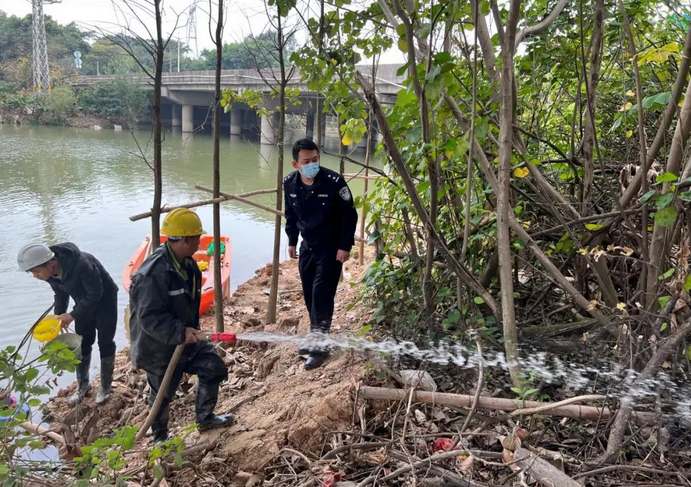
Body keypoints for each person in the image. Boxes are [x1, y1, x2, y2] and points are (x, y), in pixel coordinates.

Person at [128, 209, 234, 443]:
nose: (199, 241)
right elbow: (149, 318)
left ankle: (205, 419)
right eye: (197, 237)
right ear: (185, 239)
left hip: (187, 340)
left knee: (213, 367)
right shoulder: (151, 275)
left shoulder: (189, 265)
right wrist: (179, 332)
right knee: (162, 395)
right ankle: (160, 437)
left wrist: (189, 332)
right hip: (157, 346)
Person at [283, 138, 358, 370]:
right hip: (308, 247)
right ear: (296, 164)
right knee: (309, 296)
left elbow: (350, 216)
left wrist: (345, 246)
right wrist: (292, 241)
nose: (312, 164)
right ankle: (317, 337)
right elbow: (291, 215)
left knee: (321, 296)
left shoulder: (334, 182)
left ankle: (320, 348)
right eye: (307, 161)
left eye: (315, 159)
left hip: (331, 248)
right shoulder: (290, 184)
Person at [17, 242, 118, 406]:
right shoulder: (49, 274)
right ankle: (83, 386)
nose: (36, 276)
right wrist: (57, 319)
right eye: (32, 273)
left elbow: (95, 294)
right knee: (83, 342)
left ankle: (105, 387)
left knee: (105, 342)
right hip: (82, 303)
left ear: (51, 263)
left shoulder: (82, 265)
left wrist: (71, 315)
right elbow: (60, 294)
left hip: (104, 301)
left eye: (36, 271)